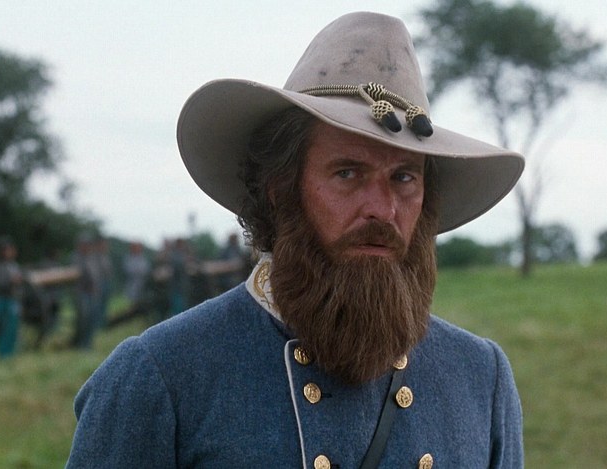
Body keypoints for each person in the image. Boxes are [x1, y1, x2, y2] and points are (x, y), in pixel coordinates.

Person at [67, 12, 524, 468]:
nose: (382, 210)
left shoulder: (480, 377)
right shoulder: (160, 377)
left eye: (404, 177)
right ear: (281, 190)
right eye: (348, 173)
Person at [0, 237, 23, 358]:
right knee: (4, 328)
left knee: (13, 328)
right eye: (9, 249)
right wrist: (12, 280)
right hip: (3, 300)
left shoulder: (14, 265)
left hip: (13, 300)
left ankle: (11, 353)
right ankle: (3, 355)